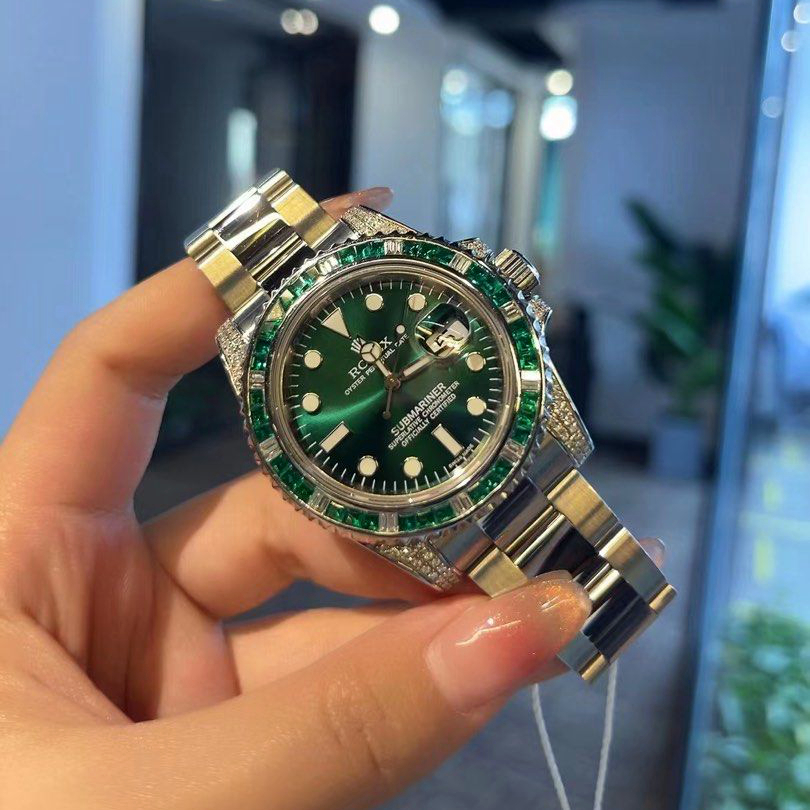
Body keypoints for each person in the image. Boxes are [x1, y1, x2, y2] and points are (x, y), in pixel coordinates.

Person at [0, 188, 659, 809]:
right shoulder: (267, 377)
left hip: (506, 451)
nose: (393, 379)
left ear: (502, 286)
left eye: (397, 368)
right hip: (443, 513)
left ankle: (607, 603)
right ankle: (604, 605)